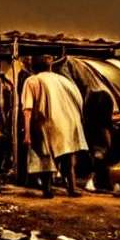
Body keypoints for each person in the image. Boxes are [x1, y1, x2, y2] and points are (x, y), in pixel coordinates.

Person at [22, 54, 88, 198]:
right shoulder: (65, 81)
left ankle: (48, 190)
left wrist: (27, 133)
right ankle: (72, 188)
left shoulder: (32, 81)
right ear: (50, 66)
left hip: (47, 123)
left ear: (32, 67)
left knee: (45, 158)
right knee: (68, 156)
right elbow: (79, 100)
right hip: (69, 123)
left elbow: (27, 109)